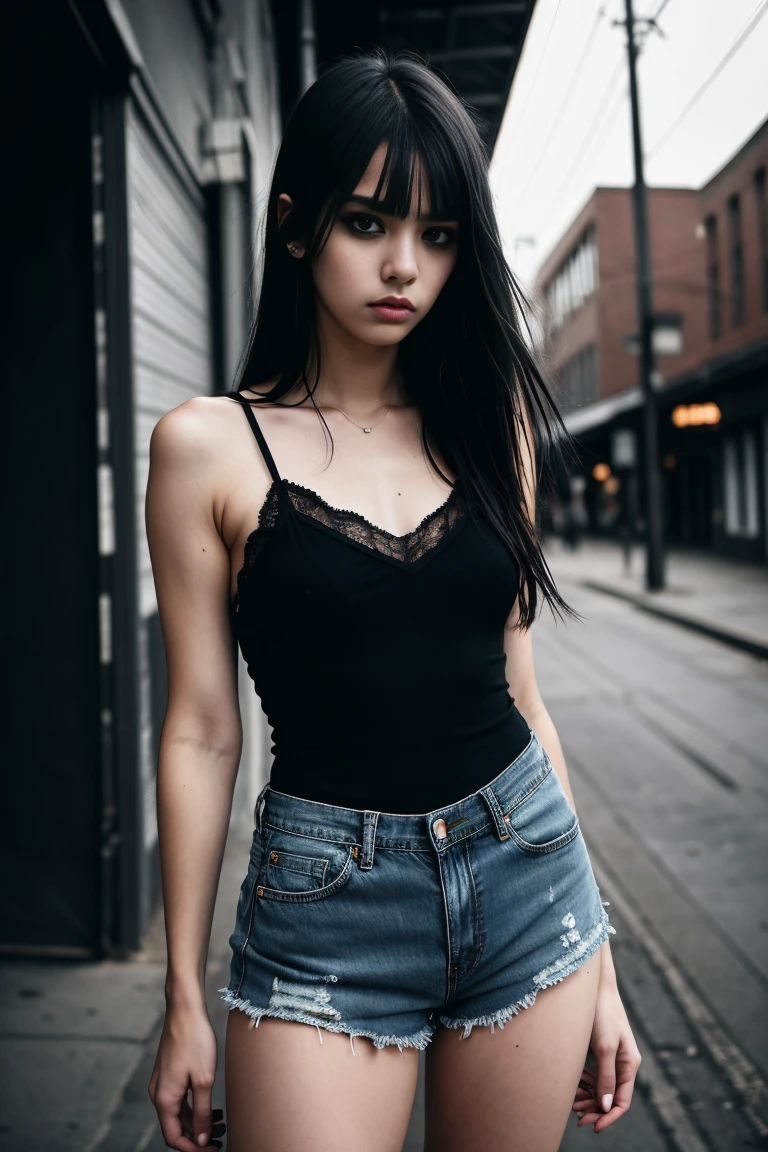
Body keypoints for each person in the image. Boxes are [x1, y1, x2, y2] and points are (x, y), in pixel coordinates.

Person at [145, 49, 641, 1152]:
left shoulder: (490, 420)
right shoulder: (206, 449)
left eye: (439, 234)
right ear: (295, 226)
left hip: (528, 879)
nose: (405, 266)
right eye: (369, 223)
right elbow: (200, 729)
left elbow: (522, 693)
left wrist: (597, 959)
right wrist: (182, 996)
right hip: (328, 913)